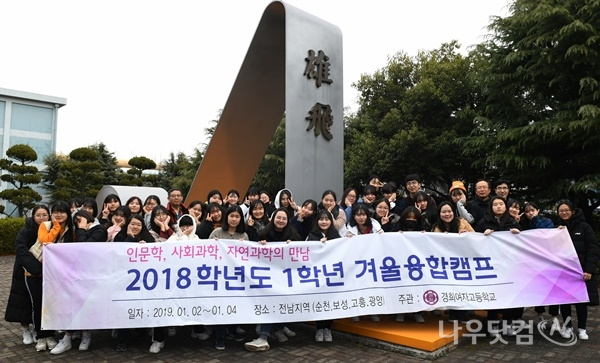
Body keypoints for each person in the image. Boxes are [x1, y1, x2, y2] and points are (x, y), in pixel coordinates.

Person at [51, 208, 108, 354]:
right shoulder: (76, 231)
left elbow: (84, 247)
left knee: (85, 304)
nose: (78, 222)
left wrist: (82, 228)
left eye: (80, 219)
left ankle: (86, 334)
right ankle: (69, 337)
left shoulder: (99, 230)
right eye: (76, 221)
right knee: (73, 303)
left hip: (92, 274)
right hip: (75, 273)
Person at [245, 208, 301, 352]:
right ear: (273, 218)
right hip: (267, 277)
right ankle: (265, 336)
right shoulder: (263, 233)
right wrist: (260, 246)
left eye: (284, 218)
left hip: (285, 278)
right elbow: (253, 253)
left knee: (280, 302)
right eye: (278, 217)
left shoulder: (293, 235)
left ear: (288, 220)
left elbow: (300, 254)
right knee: (269, 302)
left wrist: (292, 246)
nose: (281, 221)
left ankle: (278, 328)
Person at [31, 201, 74, 352]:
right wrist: (56, 226)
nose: (58, 214)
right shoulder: (46, 225)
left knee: (54, 304)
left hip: (58, 273)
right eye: (55, 211)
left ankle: (50, 335)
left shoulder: (71, 229)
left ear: (68, 213)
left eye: (62, 212)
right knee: (40, 304)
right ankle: (41, 336)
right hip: (38, 270)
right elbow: (45, 241)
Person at [474, 196, 520, 337]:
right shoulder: (483, 222)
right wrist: (482, 235)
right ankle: (493, 324)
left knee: (508, 296)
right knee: (492, 296)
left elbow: (522, 245)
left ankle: (508, 323)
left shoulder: (513, 222)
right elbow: (473, 241)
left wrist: (518, 234)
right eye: (495, 204)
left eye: (501, 204)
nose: (498, 206)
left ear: (505, 206)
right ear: (490, 207)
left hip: (508, 266)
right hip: (490, 266)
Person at [5, 205, 50, 347]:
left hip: (44, 272)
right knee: (22, 299)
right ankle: (26, 329)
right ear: (33, 216)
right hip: (24, 270)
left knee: (38, 302)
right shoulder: (25, 231)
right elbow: (21, 250)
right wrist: (36, 268)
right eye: (38, 215)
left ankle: (39, 330)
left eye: (44, 215)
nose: (41, 218)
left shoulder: (51, 229)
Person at [556, 200, 599, 341]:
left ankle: (582, 329)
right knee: (565, 303)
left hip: (581, 273)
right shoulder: (557, 229)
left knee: (581, 302)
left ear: (573, 211)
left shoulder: (584, 227)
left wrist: (589, 270)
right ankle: (568, 328)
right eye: (561, 210)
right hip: (563, 272)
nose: (564, 212)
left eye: (566, 210)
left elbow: (593, 249)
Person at [113, 215, 156, 352]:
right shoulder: (120, 237)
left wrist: (146, 249)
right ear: (127, 225)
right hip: (124, 282)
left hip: (143, 282)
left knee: (141, 307)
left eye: (138, 225)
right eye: (132, 224)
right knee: (123, 311)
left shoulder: (148, 239)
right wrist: (130, 239)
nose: (135, 227)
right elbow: (118, 255)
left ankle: (141, 334)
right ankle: (122, 340)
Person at [431, 201, 474, 323]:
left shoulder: (462, 222)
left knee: (463, 288)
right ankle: (453, 313)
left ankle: (462, 313)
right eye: (444, 212)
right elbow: (433, 245)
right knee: (451, 288)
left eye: (449, 211)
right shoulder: (437, 227)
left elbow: (476, 237)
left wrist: (467, 235)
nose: (447, 214)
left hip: (463, 262)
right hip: (447, 264)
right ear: (439, 214)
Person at [306, 210, 341, 342]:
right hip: (317, 275)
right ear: (317, 221)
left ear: (331, 221)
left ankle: (328, 329)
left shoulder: (336, 236)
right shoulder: (312, 235)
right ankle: (319, 329)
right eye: (321, 219)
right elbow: (307, 253)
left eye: (327, 219)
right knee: (319, 302)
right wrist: (318, 246)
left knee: (330, 302)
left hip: (332, 275)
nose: (324, 221)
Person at [520, 202, 557, 326]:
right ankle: (540, 315)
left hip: (548, 260)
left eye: (533, 210)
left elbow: (544, 234)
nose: (530, 213)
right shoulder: (523, 223)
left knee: (552, 290)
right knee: (537, 289)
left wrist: (536, 220)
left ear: (538, 210)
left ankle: (554, 316)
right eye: (527, 211)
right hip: (532, 262)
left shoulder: (547, 221)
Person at [346, 203, 382, 322]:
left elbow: (383, 241)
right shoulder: (349, 228)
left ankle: (373, 311)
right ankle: (356, 311)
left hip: (372, 262)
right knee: (357, 287)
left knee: (372, 287)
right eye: (358, 215)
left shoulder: (375, 226)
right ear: (354, 216)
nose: (361, 217)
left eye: (363, 215)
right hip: (356, 264)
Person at [394, 206, 426, 323]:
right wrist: (395, 236)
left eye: (414, 218)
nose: (411, 220)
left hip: (417, 266)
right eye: (408, 217)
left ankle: (418, 312)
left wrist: (425, 236)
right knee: (402, 287)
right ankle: (401, 311)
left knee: (417, 288)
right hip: (401, 264)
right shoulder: (396, 229)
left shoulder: (423, 231)